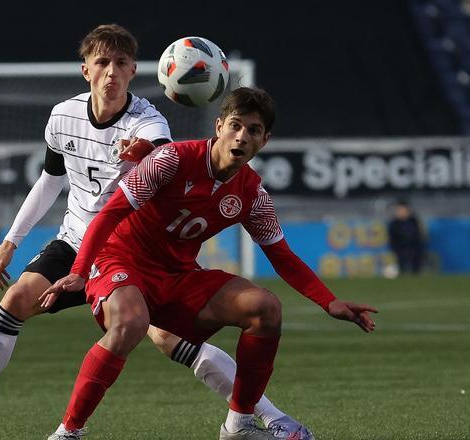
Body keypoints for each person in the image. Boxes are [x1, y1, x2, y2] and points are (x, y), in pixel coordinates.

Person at [0, 26, 312, 440]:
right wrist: (11, 241)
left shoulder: (148, 121)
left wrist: (146, 151)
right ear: (86, 70)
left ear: (134, 71)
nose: (111, 72)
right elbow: (49, 181)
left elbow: (164, 156)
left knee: (167, 336)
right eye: (102, 63)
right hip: (78, 240)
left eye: (121, 64)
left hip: (132, 249)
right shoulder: (63, 116)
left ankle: (266, 417)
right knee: (16, 300)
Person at [41, 87, 378, 440]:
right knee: (130, 322)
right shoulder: (170, 160)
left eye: (253, 130)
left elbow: (282, 256)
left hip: (177, 275)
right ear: (218, 127)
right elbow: (109, 215)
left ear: (265, 141)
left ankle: (239, 426)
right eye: (235, 125)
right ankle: (68, 432)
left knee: (264, 308)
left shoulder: (253, 195)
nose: (241, 136)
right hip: (120, 259)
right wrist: (79, 271)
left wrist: (329, 301)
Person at [387, 200, 425, 275]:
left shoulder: (413, 221)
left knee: (416, 259)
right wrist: (395, 248)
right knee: (401, 264)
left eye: (404, 210)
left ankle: (415, 275)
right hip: (400, 248)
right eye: (400, 210)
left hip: (413, 247)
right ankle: (401, 274)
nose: (402, 212)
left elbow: (418, 235)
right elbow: (392, 237)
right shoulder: (394, 223)